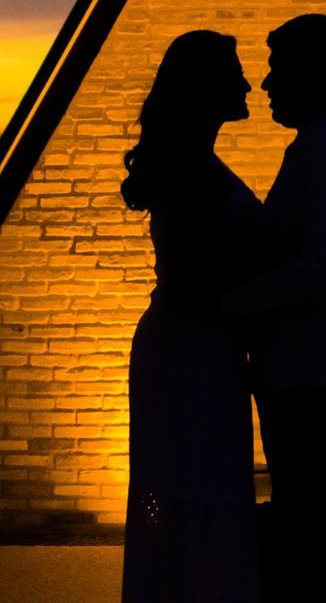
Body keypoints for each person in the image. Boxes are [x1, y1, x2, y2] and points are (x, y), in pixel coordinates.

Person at [227, 14, 326, 603]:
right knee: (317, 518)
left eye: (279, 69)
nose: (267, 84)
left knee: (321, 522)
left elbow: (322, 268)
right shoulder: (324, 145)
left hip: (317, 369)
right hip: (309, 366)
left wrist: (231, 303)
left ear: (314, 73)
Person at [121, 31, 265, 603]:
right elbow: (194, 282)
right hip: (189, 352)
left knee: (202, 484)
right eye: (235, 71)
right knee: (189, 485)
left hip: (202, 349)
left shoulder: (195, 164)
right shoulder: (189, 173)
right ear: (204, 86)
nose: (247, 83)